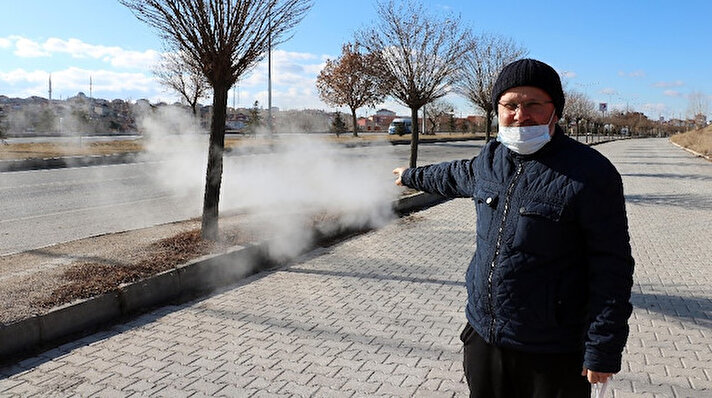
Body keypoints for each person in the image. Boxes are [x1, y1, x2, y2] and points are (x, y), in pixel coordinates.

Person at [393, 58, 634, 397]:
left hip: (554, 352)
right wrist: (410, 175)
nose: (521, 115)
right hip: (485, 338)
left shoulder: (592, 173)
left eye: (533, 104)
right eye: (510, 105)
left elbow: (612, 266)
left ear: (555, 110)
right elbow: (453, 175)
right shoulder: (491, 159)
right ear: (498, 110)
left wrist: (603, 348)